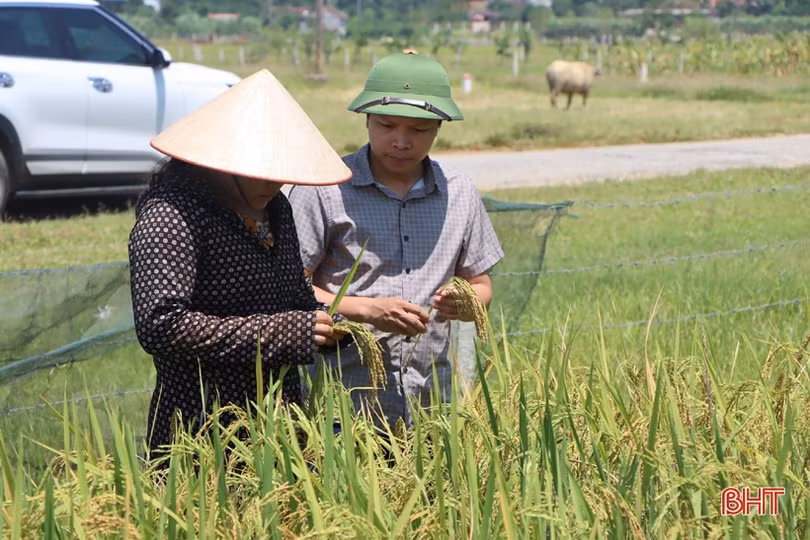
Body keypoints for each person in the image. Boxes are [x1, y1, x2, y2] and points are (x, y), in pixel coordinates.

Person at [128, 69, 352, 460]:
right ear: (219, 160)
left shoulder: (276, 208)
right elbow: (161, 326)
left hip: (281, 428)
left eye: (280, 170)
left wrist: (319, 324)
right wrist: (284, 332)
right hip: (201, 429)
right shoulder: (169, 216)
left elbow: (294, 295)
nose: (273, 182)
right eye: (260, 169)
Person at [289, 51, 504, 431]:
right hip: (342, 404)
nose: (401, 141)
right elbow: (290, 289)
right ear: (367, 121)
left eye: (419, 130)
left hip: (431, 402)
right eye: (387, 126)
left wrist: (465, 302)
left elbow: (481, 284)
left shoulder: (459, 192)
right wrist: (368, 311)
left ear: (438, 128)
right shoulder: (324, 190)